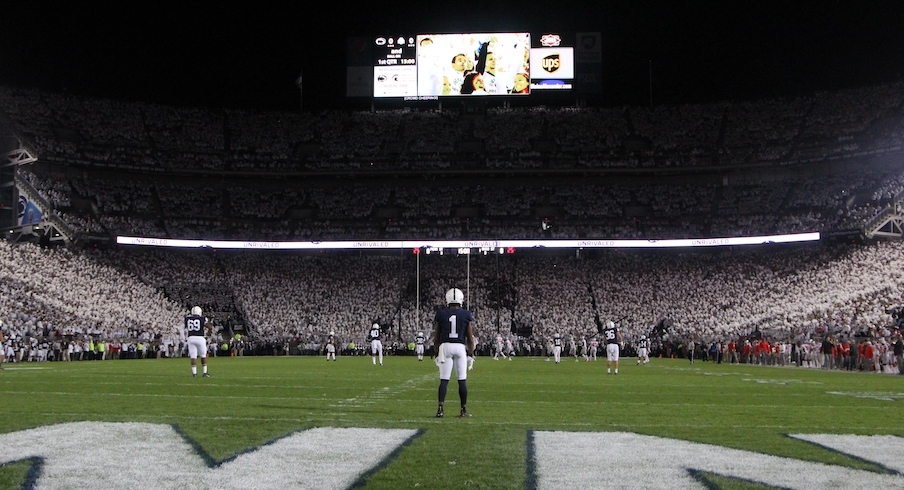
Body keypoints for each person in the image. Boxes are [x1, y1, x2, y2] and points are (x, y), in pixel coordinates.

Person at [433, 287, 476, 418]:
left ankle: (440, 409)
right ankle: (463, 410)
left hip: (445, 346)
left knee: (444, 380)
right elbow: (470, 337)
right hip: (459, 346)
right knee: (462, 380)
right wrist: (471, 353)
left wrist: (436, 353)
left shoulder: (441, 313)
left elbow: (436, 337)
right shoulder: (466, 314)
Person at [183, 306, 211, 378]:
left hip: (191, 338)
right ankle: (204, 372)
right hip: (200, 338)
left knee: (193, 356)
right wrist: (208, 333)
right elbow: (209, 327)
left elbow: (186, 327)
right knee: (203, 355)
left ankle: (194, 374)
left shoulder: (187, 318)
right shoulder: (202, 318)